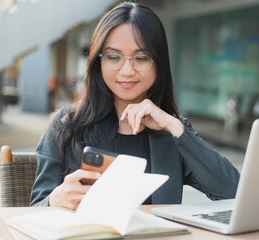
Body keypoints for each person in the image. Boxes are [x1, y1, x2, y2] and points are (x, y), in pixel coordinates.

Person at [30, 1, 240, 210]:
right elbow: (32, 210)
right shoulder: (65, 126)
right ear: (98, 62)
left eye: (141, 58)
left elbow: (234, 192)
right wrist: (53, 201)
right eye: (113, 57)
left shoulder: (172, 134)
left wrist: (175, 127)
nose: (127, 71)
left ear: (159, 64)